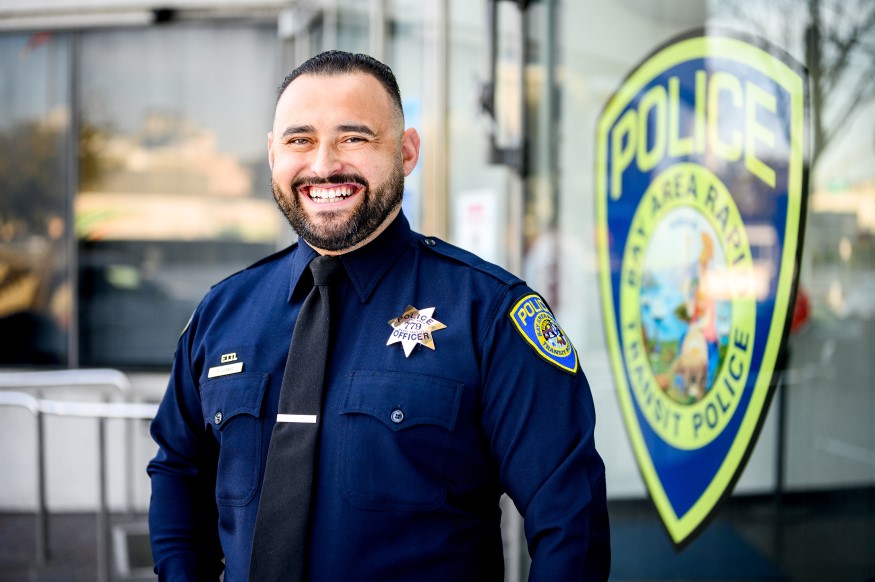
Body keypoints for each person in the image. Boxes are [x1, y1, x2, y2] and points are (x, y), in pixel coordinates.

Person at [147, 50, 610, 581]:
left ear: (407, 151)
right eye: (300, 140)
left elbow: (570, 521)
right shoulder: (223, 313)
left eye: (354, 138)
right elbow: (178, 469)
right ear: (273, 155)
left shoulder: (491, 316)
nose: (323, 165)